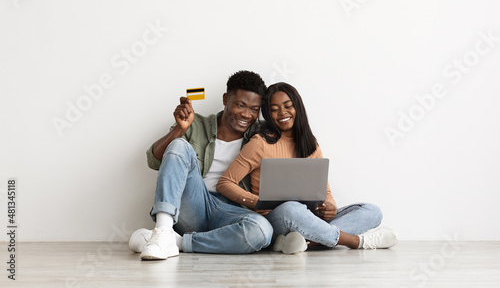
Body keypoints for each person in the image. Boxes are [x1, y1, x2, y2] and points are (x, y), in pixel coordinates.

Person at [216, 82, 398, 254]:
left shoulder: (311, 145)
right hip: (278, 219)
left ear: (298, 107)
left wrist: (330, 207)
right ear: (268, 115)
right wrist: (256, 201)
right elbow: (225, 183)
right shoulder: (260, 143)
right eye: (274, 109)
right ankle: (358, 242)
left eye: (288, 106)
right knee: (291, 208)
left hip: (311, 217)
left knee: (372, 211)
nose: (282, 113)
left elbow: (325, 192)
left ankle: (299, 242)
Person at [128, 70, 273, 260]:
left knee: (262, 231)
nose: (246, 114)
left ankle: (175, 242)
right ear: (225, 99)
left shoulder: (261, 134)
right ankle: (163, 229)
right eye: (240, 105)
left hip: (232, 211)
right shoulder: (196, 124)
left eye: (254, 109)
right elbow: (153, 160)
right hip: (195, 205)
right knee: (179, 144)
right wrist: (180, 129)